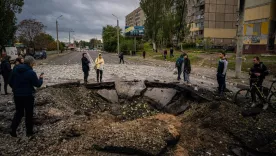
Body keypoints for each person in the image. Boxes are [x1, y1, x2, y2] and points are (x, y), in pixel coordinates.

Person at [9, 56, 43, 137]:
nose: (34, 64)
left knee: (19, 112)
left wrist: (15, 89)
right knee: (29, 114)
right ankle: (29, 132)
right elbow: (37, 84)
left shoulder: (15, 69)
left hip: (17, 95)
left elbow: (10, 82)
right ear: (31, 63)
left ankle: (13, 129)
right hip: (28, 96)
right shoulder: (31, 73)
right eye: (33, 63)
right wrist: (41, 78)